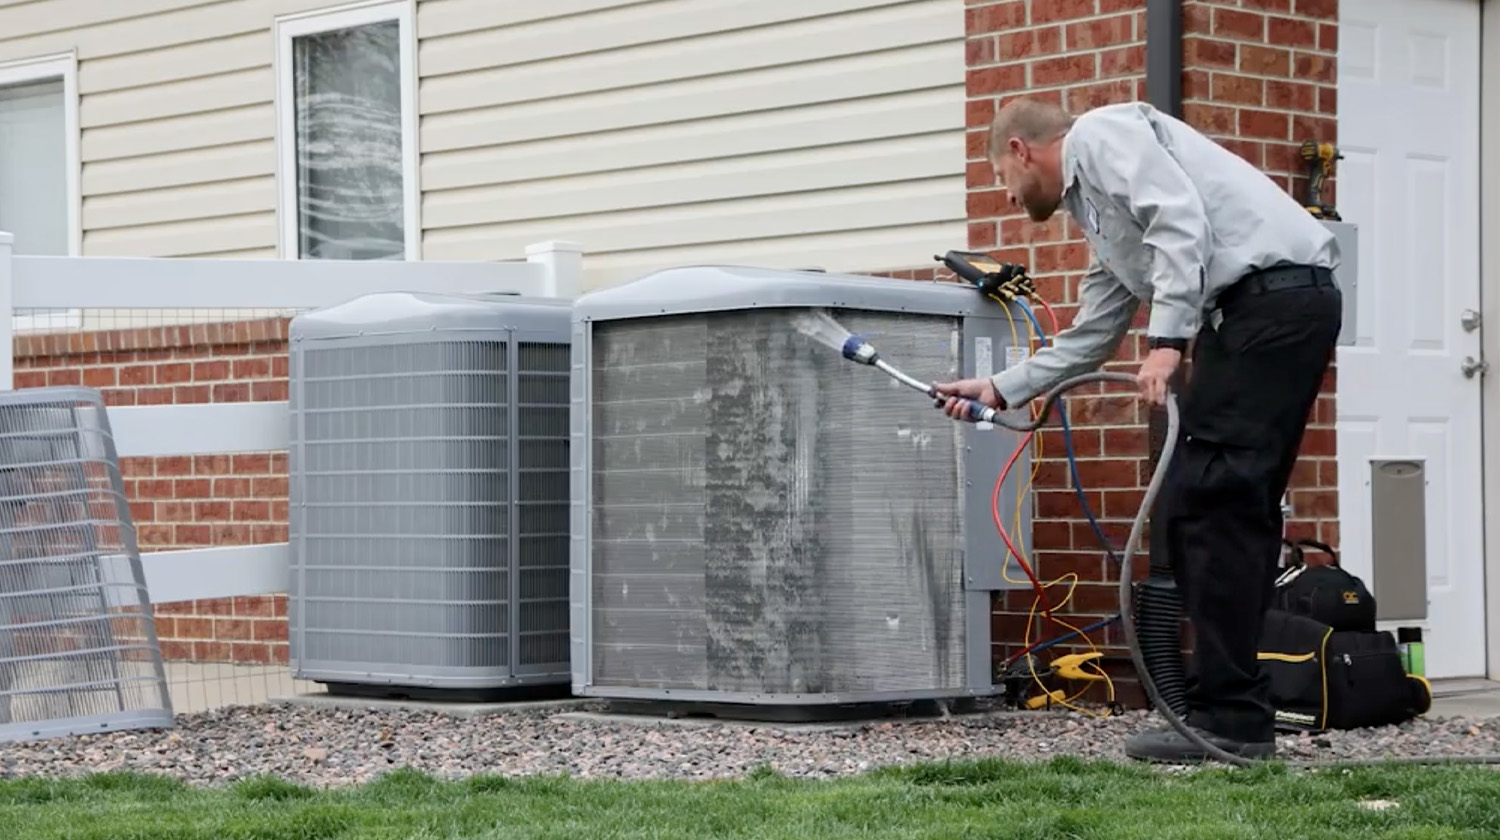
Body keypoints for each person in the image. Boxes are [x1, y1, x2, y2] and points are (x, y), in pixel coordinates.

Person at [934, 97, 1343, 763]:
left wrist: (1167, 341)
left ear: (1020, 150)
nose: (1007, 199)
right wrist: (999, 387)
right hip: (1261, 315)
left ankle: (1233, 721)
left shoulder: (1101, 135)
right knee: (1209, 506)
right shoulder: (1100, 215)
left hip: (1269, 305)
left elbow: (1176, 217)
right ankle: (1230, 712)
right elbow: (1092, 334)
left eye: (998, 180)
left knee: (1213, 504)